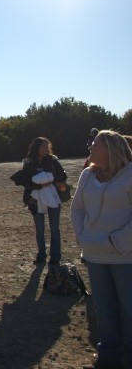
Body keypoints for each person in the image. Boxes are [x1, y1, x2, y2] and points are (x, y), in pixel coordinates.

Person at [70, 130, 132, 369]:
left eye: (95, 144)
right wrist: (83, 236)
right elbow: (77, 210)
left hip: (125, 256)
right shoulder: (87, 175)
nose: (90, 148)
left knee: (129, 307)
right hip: (94, 254)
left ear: (110, 149)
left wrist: (118, 241)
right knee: (103, 307)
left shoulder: (129, 175)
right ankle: (108, 355)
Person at [20, 137, 68, 266]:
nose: (46, 149)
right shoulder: (28, 162)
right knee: (40, 229)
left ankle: (55, 257)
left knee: (54, 228)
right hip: (35, 199)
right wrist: (39, 185)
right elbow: (25, 181)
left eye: (48, 147)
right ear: (36, 147)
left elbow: (63, 176)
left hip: (53, 196)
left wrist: (51, 180)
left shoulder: (53, 161)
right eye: (43, 147)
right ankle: (41, 255)